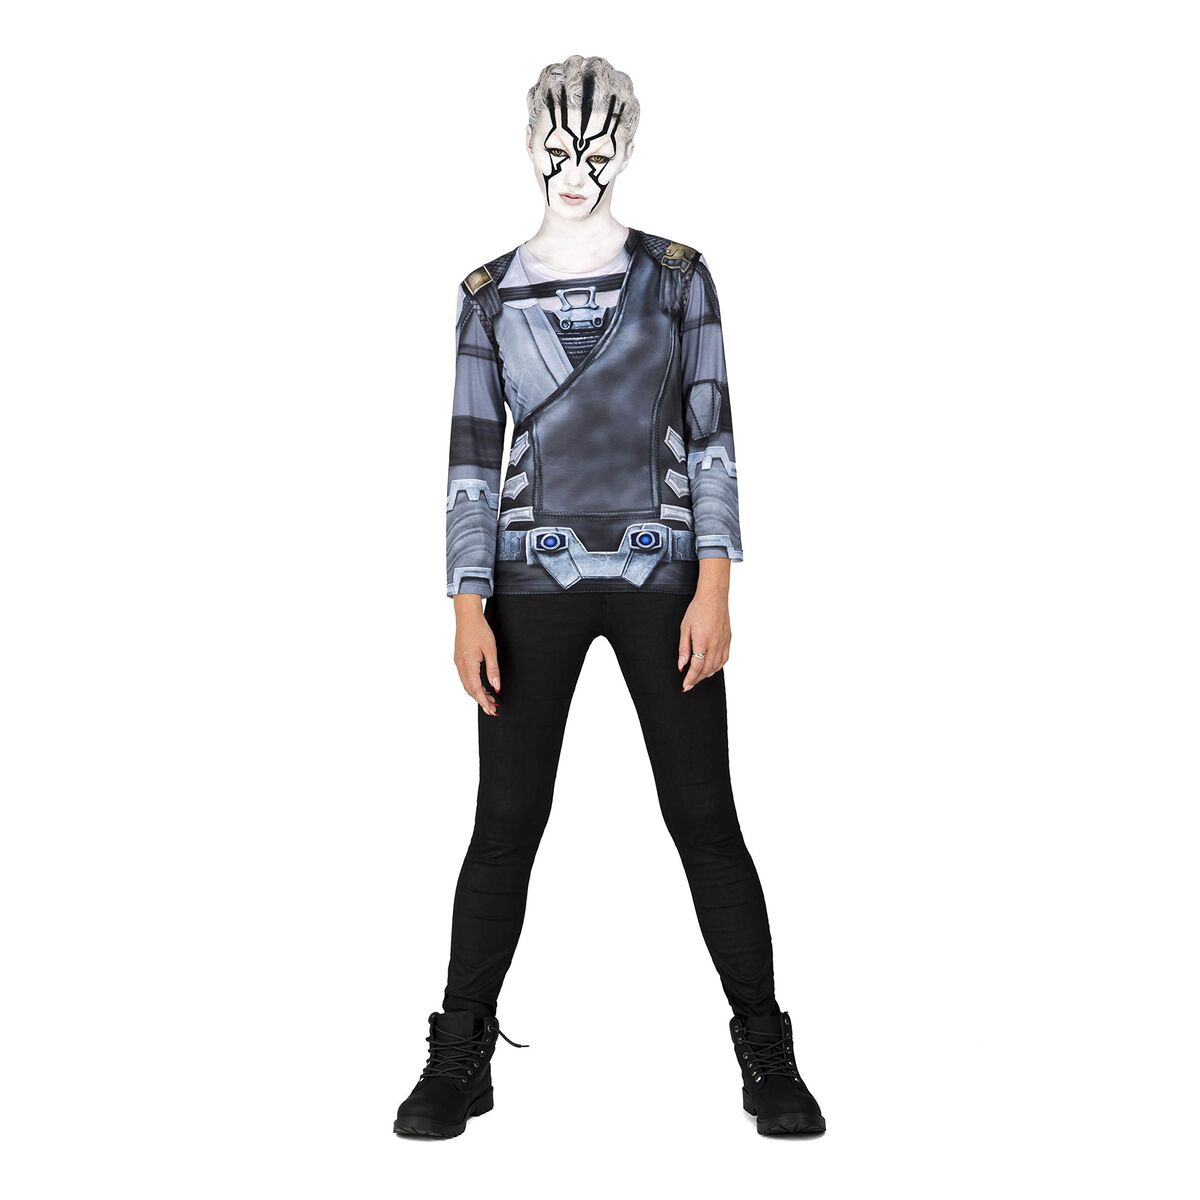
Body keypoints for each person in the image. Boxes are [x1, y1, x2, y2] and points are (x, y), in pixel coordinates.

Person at [394, 55, 825, 1139]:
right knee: (505, 823)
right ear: (528, 145)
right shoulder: (485, 295)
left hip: (663, 578)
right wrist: (465, 603)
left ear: (627, 144)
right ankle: (460, 1054)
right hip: (525, 581)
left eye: (597, 147)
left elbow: (713, 432)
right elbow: (469, 454)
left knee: (704, 817)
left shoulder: (679, 278)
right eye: (558, 148)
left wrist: (716, 584)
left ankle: (766, 1051)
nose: (577, 169)